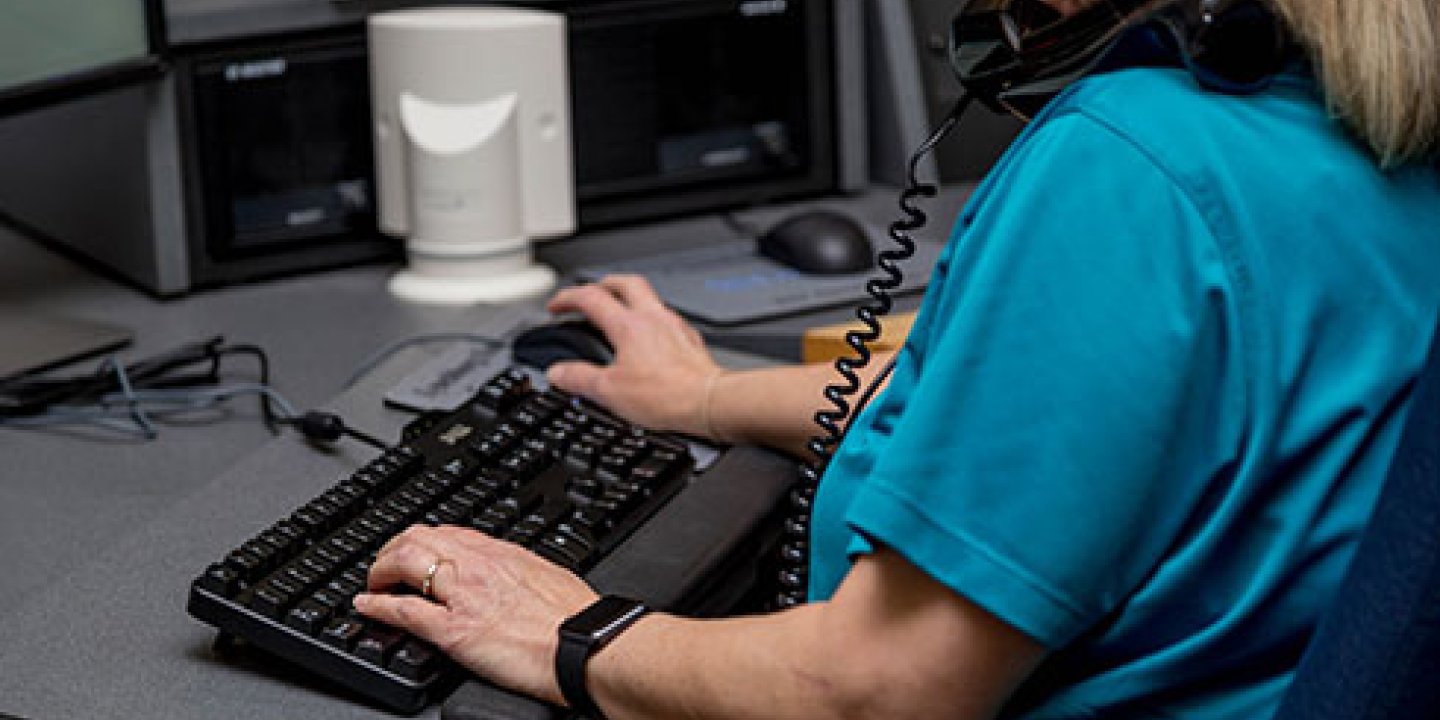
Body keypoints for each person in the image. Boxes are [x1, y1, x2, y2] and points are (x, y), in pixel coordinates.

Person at [353, 0, 1440, 717]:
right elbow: (1061, 407)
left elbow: (879, 687)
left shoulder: (1133, 160)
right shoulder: (1355, 138)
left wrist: (568, 632)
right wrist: (708, 396)